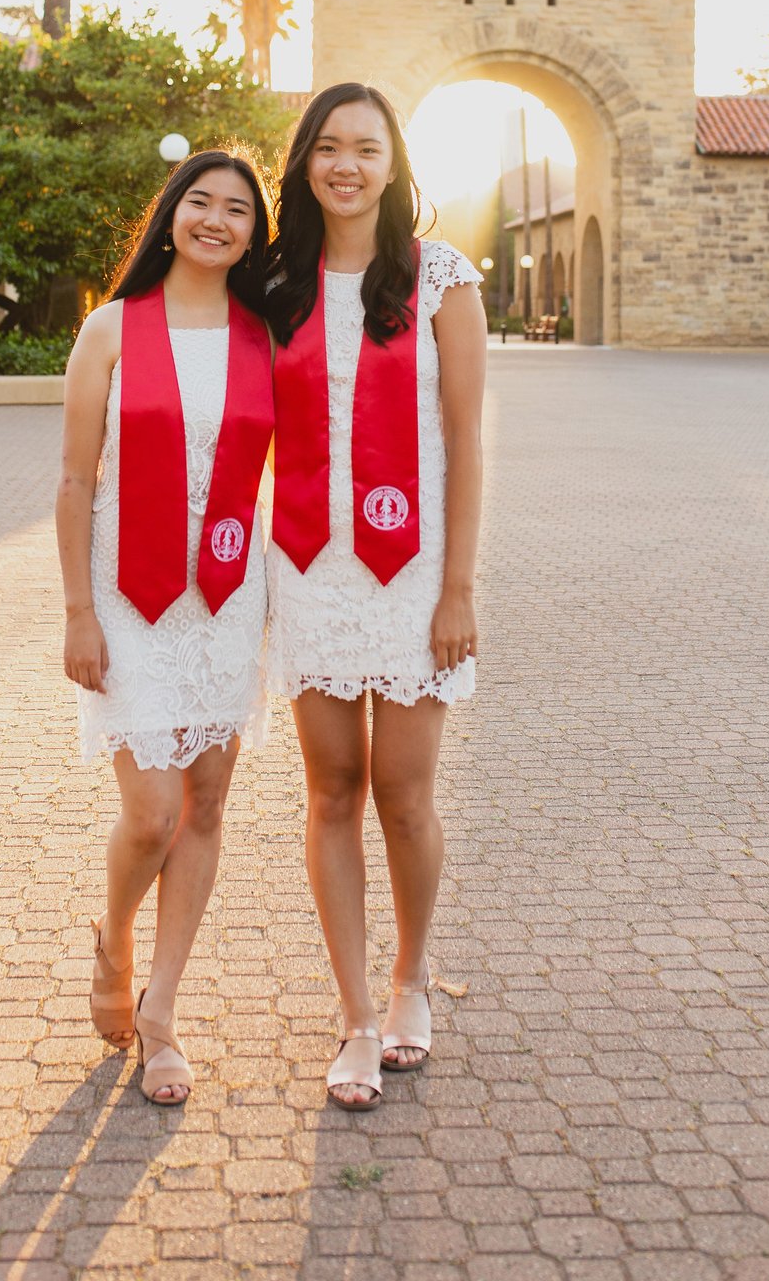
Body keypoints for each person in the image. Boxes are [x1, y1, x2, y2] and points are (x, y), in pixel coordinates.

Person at [265, 84, 487, 1110]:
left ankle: (409, 979)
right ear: (304, 161)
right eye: (327, 146)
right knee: (332, 792)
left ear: (394, 162)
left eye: (365, 147)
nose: (345, 164)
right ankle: (355, 1013)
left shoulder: (439, 279)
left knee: (402, 792)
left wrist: (458, 590)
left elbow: (466, 441)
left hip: (414, 576)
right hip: (310, 569)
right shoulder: (275, 281)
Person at [57, 149, 274, 1105]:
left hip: (225, 596)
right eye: (201, 202)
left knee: (206, 807)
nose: (216, 220)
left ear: (254, 235)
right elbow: (76, 478)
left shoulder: (266, 336)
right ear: (171, 214)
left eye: (238, 210)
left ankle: (161, 1012)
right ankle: (114, 938)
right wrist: (77, 612)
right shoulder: (110, 328)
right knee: (150, 815)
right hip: (126, 595)